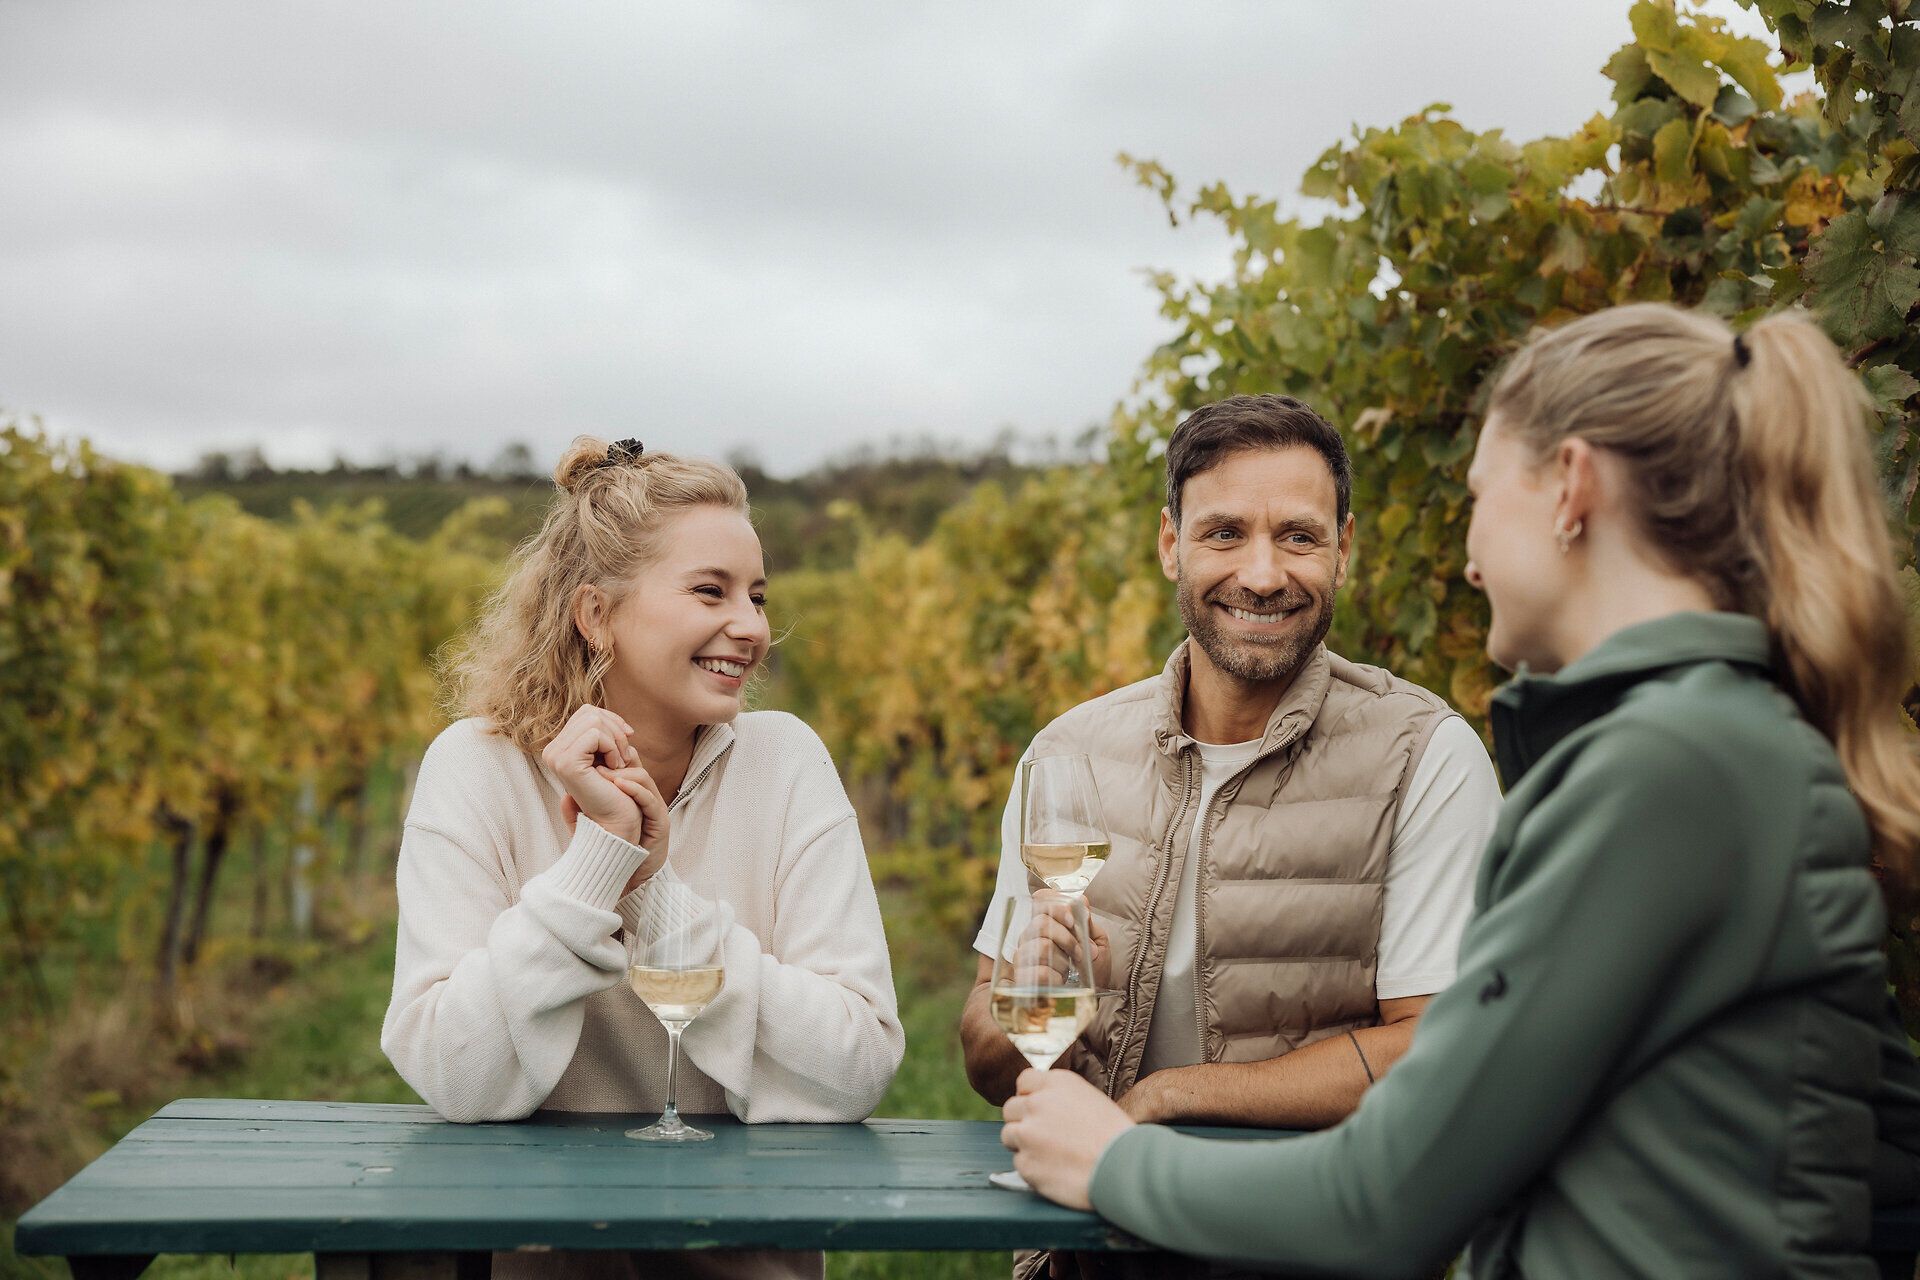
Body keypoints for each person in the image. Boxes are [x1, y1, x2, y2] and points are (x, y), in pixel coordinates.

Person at [1001, 304, 1920, 1279]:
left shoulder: (1670, 770)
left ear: (1570, 487)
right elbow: (1878, 1137)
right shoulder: (1710, 748)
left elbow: (1388, 1197)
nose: (1470, 556)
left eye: (1479, 495)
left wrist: (1113, 1161)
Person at [959, 395, 1502, 1277]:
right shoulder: (1069, 756)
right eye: (1224, 534)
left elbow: (1444, 1050)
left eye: (1298, 535)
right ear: (1170, 542)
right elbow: (987, 1057)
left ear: (1344, 548)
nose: (1261, 574)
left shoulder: (1426, 757)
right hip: (1086, 1256)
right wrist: (1031, 1007)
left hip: (1305, 1253)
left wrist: (1173, 1097)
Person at [381, 438, 904, 1280]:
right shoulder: (473, 767)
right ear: (597, 614)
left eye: (758, 596)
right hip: (538, 1247)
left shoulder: (785, 761)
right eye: (711, 591)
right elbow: (452, 1072)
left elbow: (858, 1066)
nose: (753, 626)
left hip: (747, 1243)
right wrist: (599, 860)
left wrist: (652, 888)